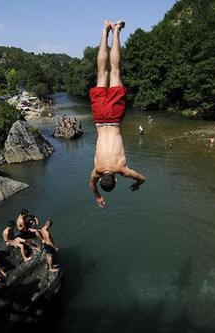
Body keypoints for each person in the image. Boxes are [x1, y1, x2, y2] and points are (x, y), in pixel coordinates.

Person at [89, 20, 146, 208]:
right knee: (101, 73)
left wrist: (137, 184)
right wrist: (96, 195)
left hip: (113, 118)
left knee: (115, 71)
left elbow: (142, 178)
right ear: (101, 179)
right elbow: (91, 185)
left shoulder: (121, 170)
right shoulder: (96, 171)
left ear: (116, 179)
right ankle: (105, 30)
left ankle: (116, 31)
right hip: (99, 117)